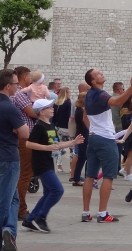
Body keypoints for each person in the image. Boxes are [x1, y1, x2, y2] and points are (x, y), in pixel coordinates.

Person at [81, 70, 132, 223]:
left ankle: (85, 212)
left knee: (90, 175)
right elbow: (116, 102)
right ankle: (102, 214)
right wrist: (131, 87)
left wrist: (93, 129)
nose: (102, 74)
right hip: (105, 139)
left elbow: (84, 116)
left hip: (93, 137)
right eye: (98, 74)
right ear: (93, 81)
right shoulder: (100, 94)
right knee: (108, 175)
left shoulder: (88, 94)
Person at [21, 99, 84, 233]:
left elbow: (56, 145)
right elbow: (29, 144)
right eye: (49, 107)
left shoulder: (51, 125)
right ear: (42, 111)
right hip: (41, 164)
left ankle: (30, 219)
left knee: (49, 192)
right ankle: (40, 217)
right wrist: (45, 147)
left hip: (49, 163)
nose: (52, 108)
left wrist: (73, 142)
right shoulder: (39, 126)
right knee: (57, 190)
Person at [1, 69, 29, 251]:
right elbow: (25, 133)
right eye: (16, 84)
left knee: (13, 199)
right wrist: (16, 129)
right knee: (5, 200)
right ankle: (5, 234)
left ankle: (10, 231)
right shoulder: (10, 108)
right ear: (8, 85)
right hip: (8, 158)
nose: (18, 87)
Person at [12, 66, 34, 222]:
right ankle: (21, 208)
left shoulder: (18, 93)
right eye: (30, 76)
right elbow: (33, 112)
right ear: (25, 77)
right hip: (24, 137)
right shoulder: (20, 94)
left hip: (19, 137)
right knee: (25, 174)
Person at [52, 87, 72, 174]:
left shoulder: (56, 103)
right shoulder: (68, 103)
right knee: (71, 146)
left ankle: (59, 166)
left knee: (59, 147)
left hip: (58, 127)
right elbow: (69, 116)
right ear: (66, 93)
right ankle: (71, 166)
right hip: (67, 127)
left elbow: (54, 116)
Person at [71, 89, 89, 186]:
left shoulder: (78, 109)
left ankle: (76, 178)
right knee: (87, 156)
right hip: (84, 135)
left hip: (80, 133)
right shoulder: (82, 111)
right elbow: (85, 124)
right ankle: (87, 177)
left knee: (82, 157)